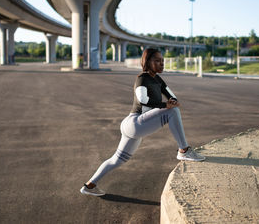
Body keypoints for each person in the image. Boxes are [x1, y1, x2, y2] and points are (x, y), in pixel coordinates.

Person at [80, 48, 205, 196]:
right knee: (172, 111)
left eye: (162, 61)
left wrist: (173, 101)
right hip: (135, 122)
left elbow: (171, 95)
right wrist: (166, 105)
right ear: (147, 62)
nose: (161, 64)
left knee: (117, 160)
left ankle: (89, 186)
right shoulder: (142, 78)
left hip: (135, 127)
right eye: (157, 61)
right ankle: (183, 150)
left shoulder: (157, 79)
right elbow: (142, 99)